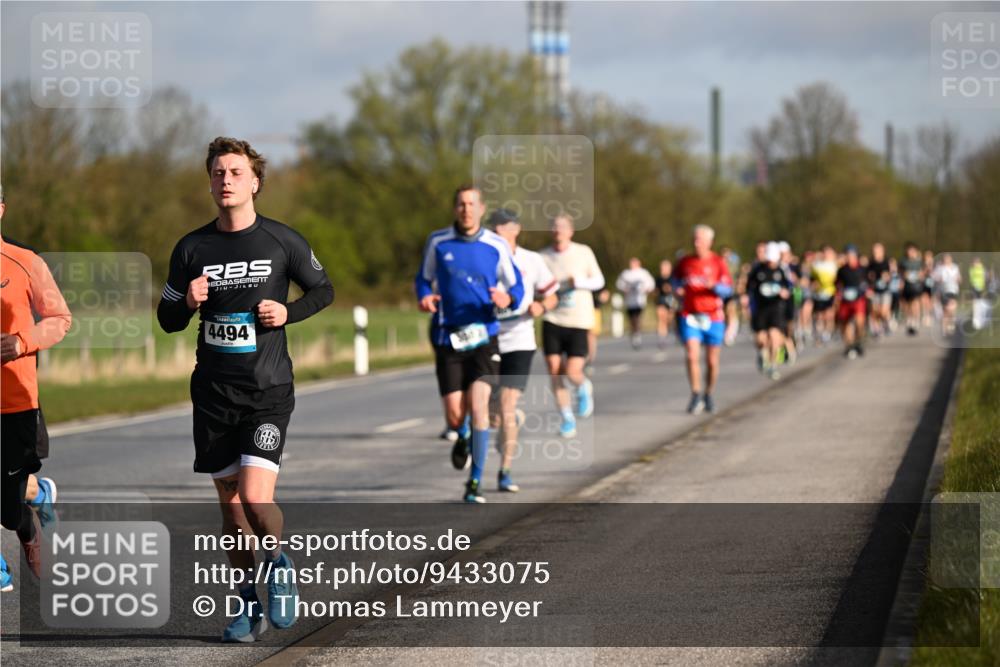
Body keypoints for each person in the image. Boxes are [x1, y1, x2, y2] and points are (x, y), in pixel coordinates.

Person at [158, 137, 334, 641]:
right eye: (217, 172)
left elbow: (324, 289)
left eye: (235, 172)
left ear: (255, 182)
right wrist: (186, 301)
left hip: (267, 391)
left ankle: (278, 564)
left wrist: (288, 312)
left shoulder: (281, 241)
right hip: (213, 396)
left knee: (256, 501)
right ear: (210, 181)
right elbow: (167, 318)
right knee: (232, 512)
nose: (226, 180)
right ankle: (245, 605)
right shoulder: (192, 248)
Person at [415, 186, 523, 504]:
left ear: (481, 209)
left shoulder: (495, 244)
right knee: (453, 415)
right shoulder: (438, 242)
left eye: (472, 204)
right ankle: (461, 435)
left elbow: (515, 284)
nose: (466, 209)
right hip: (448, 335)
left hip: (484, 337)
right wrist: (424, 296)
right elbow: (423, 278)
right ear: (454, 209)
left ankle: (474, 481)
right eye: (461, 204)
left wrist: (509, 298)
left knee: (479, 408)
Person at [1, 185, 72, 592]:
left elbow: (59, 318)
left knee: (9, 510)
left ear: (1, 209)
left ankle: (29, 517)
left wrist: (22, 341)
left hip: (14, 403)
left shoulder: (25, 262)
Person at [490, 209, 558, 493]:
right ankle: (510, 422)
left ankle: (505, 470)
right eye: (492, 228)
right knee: (490, 411)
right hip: (489, 339)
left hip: (520, 339)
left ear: (515, 229)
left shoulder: (532, 260)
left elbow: (552, 294)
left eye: (501, 228)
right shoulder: (485, 258)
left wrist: (541, 306)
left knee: (506, 406)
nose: (496, 234)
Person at [540, 214, 605, 438]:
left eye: (562, 227)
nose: (558, 230)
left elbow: (599, 281)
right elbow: (536, 285)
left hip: (578, 319)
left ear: (571, 231)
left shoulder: (583, 252)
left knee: (572, 370)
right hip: (553, 319)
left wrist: (579, 282)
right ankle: (566, 418)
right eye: (554, 227)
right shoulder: (543, 257)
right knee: (554, 369)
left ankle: (583, 385)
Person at [673, 224, 733, 414]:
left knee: (712, 361)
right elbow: (674, 281)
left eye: (700, 239)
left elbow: (728, 289)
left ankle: (708, 392)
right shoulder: (685, 262)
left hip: (713, 316)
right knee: (691, 354)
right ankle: (695, 393)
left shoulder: (718, 262)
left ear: (709, 242)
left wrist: (714, 286)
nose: (696, 242)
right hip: (690, 315)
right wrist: (677, 289)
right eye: (695, 238)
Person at [747, 242, 792, 380]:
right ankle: (762, 353)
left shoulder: (782, 271)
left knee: (774, 336)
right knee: (761, 339)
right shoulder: (757, 270)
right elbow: (749, 287)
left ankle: (773, 365)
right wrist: (746, 298)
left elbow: (789, 287)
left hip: (776, 308)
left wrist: (785, 292)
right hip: (761, 308)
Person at [836, 245, 869, 359]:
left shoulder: (862, 269)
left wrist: (867, 290)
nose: (849, 257)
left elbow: (868, 282)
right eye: (847, 255)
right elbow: (837, 284)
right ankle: (849, 345)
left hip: (859, 299)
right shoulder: (841, 270)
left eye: (851, 255)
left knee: (860, 322)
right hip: (845, 300)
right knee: (845, 323)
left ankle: (858, 341)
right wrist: (839, 293)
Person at [615, 257, 656, 349]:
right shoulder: (626, 274)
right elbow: (619, 284)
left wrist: (646, 289)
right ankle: (634, 334)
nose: (632, 265)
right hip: (629, 301)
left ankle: (637, 335)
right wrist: (624, 289)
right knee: (631, 319)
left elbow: (651, 284)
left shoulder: (643, 273)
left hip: (640, 301)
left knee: (637, 318)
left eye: (634, 263)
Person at [810, 245, 839, 344]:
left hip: (831, 292)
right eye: (825, 252)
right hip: (819, 293)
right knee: (819, 315)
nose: (827, 254)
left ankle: (827, 332)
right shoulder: (816, 265)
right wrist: (813, 284)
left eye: (829, 252)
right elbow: (812, 278)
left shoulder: (835, 265)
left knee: (829, 314)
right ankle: (820, 332)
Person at [867, 243, 892, 338]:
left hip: (885, 290)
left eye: (878, 250)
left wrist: (886, 277)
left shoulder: (886, 262)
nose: (876, 252)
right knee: (874, 311)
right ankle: (877, 330)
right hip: (874, 291)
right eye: (874, 251)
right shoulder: (870, 263)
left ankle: (886, 323)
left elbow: (889, 276)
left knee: (883, 312)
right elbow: (867, 277)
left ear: (883, 251)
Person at [899, 243, 925, 336]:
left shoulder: (919, 261)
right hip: (907, 286)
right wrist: (903, 278)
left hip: (916, 286)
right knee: (907, 304)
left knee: (915, 303)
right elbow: (901, 273)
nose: (911, 253)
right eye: (909, 251)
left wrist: (919, 276)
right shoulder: (903, 261)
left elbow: (923, 273)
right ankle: (909, 320)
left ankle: (915, 321)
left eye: (912, 251)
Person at [933, 253, 961, 336]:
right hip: (943, 291)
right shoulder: (939, 268)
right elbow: (934, 278)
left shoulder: (955, 267)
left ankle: (951, 324)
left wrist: (957, 279)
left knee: (951, 308)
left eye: (948, 259)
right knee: (945, 310)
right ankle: (944, 328)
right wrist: (939, 279)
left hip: (953, 290)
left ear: (951, 259)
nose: (947, 260)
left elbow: (959, 278)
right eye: (945, 259)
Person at [721, 246, 742, 345]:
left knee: (731, 310)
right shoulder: (718, 265)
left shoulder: (733, 266)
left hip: (731, 292)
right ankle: (728, 330)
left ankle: (730, 334)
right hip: (721, 293)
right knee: (724, 313)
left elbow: (739, 278)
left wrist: (739, 288)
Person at [654, 260, 677, 350]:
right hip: (661, 299)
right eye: (663, 267)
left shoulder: (673, 278)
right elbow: (655, 290)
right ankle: (661, 338)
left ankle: (669, 330)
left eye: (666, 267)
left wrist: (670, 289)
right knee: (661, 318)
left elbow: (676, 289)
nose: (664, 269)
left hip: (671, 299)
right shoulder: (658, 278)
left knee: (669, 319)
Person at [969, 257, 989, 331]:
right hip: (975, 287)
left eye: (976, 262)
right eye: (974, 262)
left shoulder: (982, 268)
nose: (975, 264)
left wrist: (984, 286)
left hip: (982, 287)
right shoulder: (972, 269)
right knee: (975, 303)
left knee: (982, 303)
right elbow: (971, 279)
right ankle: (975, 321)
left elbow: (985, 277)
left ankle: (982, 320)